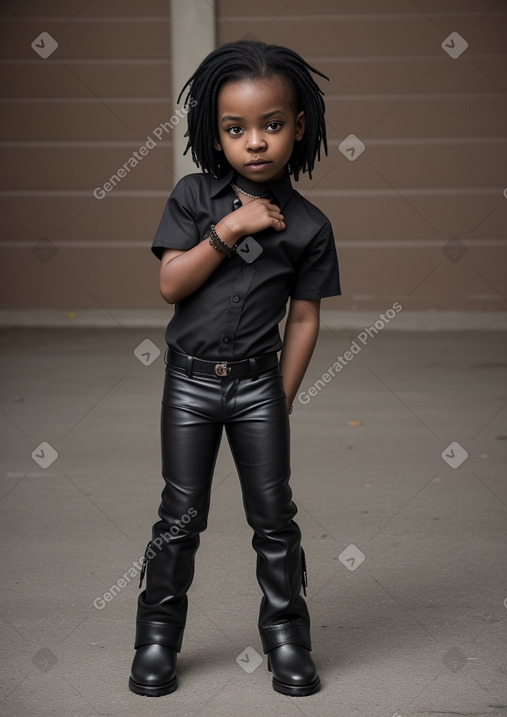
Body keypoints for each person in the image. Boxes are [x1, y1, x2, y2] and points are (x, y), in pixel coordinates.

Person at [129, 39, 341, 699]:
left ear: (298, 126)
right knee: (180, 515)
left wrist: (278, 398)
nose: (255, 142)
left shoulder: (308, 225)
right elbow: (171, 282)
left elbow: (303, 320)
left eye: (272, 125)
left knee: (274, 516)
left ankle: (287, 636)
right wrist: (232, 228)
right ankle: (157, 637)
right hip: (189, 385)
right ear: (214, 134)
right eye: (235, 128)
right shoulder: (194, 196)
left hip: (257, 388)